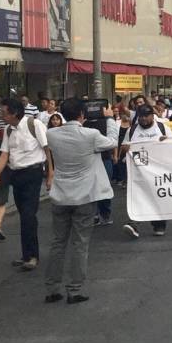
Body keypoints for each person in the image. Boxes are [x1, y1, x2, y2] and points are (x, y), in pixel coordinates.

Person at [43, 98, 119, 304]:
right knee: (80, 244)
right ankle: (74, 289)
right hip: (84, 196)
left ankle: (52, 288)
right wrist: (110, 119)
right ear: (82, 115)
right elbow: (112, 142)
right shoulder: (91, 135)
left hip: (60, 196)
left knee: (58, 242)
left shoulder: (51, 134)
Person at [0, 99, 52, 271]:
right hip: (15, 175)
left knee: (28, 215)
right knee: (24, 216)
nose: (2, 117)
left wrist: (50, 174)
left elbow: (47, 149)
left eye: (4, 113)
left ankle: (32, 256)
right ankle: (26, 254)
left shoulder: (35, 124)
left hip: (33, 173)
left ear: (15, 113)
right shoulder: (9, 130)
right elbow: (5, 154)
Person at [119, 105, 172, 239]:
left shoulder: (162, 127)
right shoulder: (132, 130)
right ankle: (134, 223)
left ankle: (159, 224)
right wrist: (127, 147)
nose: (143, 119)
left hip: (158, 170)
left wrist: (165, 141)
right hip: (138, 169)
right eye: (141, 116)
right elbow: (123, 147)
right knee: (137, 196)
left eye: (146, 115)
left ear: (151, 115)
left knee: (156, 196)